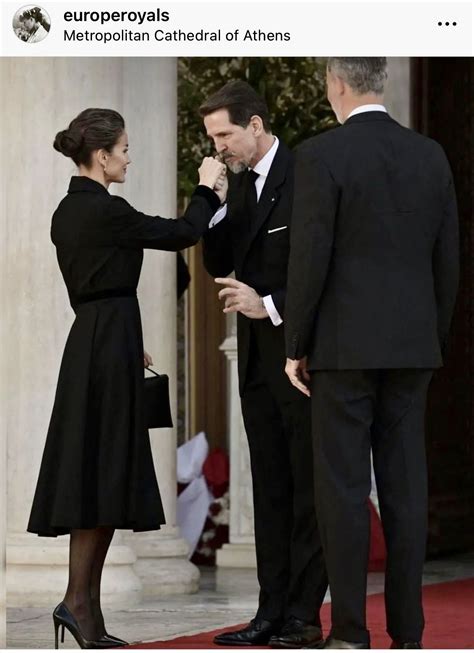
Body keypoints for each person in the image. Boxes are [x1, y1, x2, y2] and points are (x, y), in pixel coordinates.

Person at [27, 108, 226, 649]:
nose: (129, 158)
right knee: (104, 471)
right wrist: (207, 188)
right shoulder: (105, 211)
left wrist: (126, 341)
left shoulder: (66, 212)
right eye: (125, 149)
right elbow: (183, 232)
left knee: (99, 471)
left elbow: (99, 283)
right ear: (102, 155)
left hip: (96, 341)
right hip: (107, 343)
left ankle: (81, 605)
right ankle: (78, 603)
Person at [285, 58, 459, 649]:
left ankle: (352, 633)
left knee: (343, 491)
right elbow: (447, 261)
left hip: (341, 348)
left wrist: (296, 344)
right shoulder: (430, 155)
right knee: (407, 489)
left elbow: (309, 259)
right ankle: (409, 632)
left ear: (336, 84)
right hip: (412, 347)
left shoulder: (320, 155)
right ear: (379, 83)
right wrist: (431, 337)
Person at [200, 81, 328, 648]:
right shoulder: (241, 186)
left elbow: (316, 264)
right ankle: (269, 614)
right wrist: (213, 200)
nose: (219, 145)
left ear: (256, 125)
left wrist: (268, 305)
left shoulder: (304, 175)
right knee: (270, 491)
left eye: (224, 134)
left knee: (307, 490)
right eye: (212, 137)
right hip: (254, 364)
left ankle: (303, 617)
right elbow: (219, 264)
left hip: (298, 359)